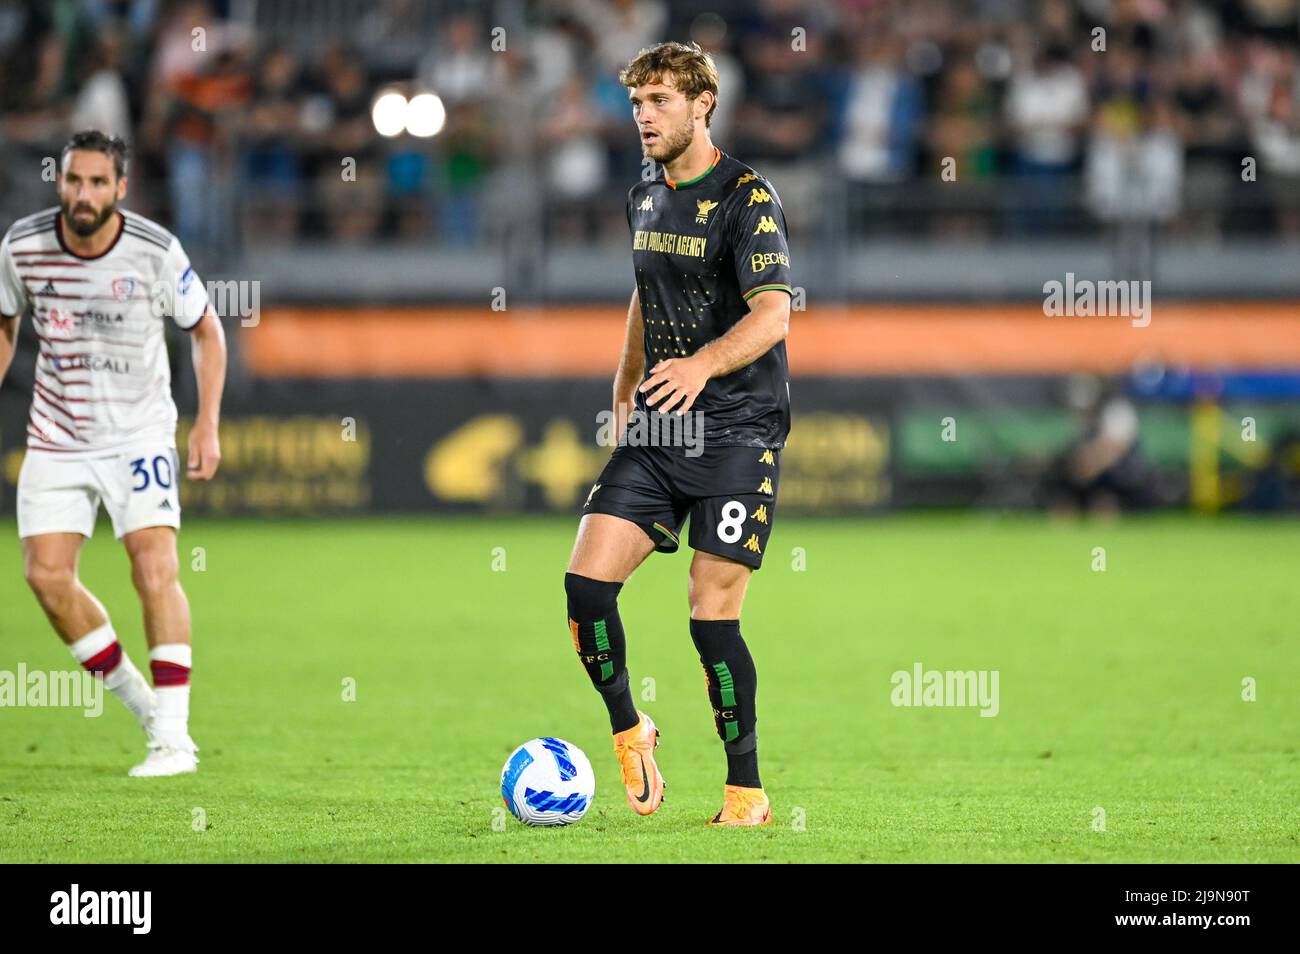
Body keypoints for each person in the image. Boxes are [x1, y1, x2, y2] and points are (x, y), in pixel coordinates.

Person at [564, 41, 792, 827]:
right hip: (661, 424)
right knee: (585, 588)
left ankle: (746, 792)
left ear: (703, 105)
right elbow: (643, 292)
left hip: (738, 430)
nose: (644, 117)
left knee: (710, 615)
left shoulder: (747, 198)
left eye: (659, 101)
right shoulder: (644, 196)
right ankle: (630, 728)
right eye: (636, 103)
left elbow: (773, 313)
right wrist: (626, 385)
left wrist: (699, 365)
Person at [0, 131, 227, 776]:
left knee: (153, 566)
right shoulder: (22, 246)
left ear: (120, 189)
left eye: (99, 183)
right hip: (56, 433)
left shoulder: (155, 252)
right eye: (75, 181)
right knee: (45, 576)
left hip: (138, 434)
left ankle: (174, 741)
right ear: (60, 182)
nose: (85, 193)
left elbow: (208, 331)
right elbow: (4, 318)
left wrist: (207, 423)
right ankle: (142, 704)